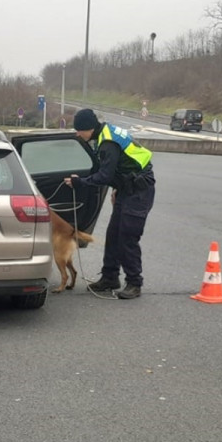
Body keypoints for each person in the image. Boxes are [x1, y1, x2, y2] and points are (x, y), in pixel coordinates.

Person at [64, 109, 156, 300]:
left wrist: (80, 182)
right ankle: (110, 278)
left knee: (127, 237)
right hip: (127, 188)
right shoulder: (105, 133)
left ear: (88, 128)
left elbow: (105, 175)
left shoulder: (107, 143)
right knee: (113, 235)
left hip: (138, 190)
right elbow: (119, 167)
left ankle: (134, 283)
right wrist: (118, 188)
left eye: (79, 130)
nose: (77, 134)